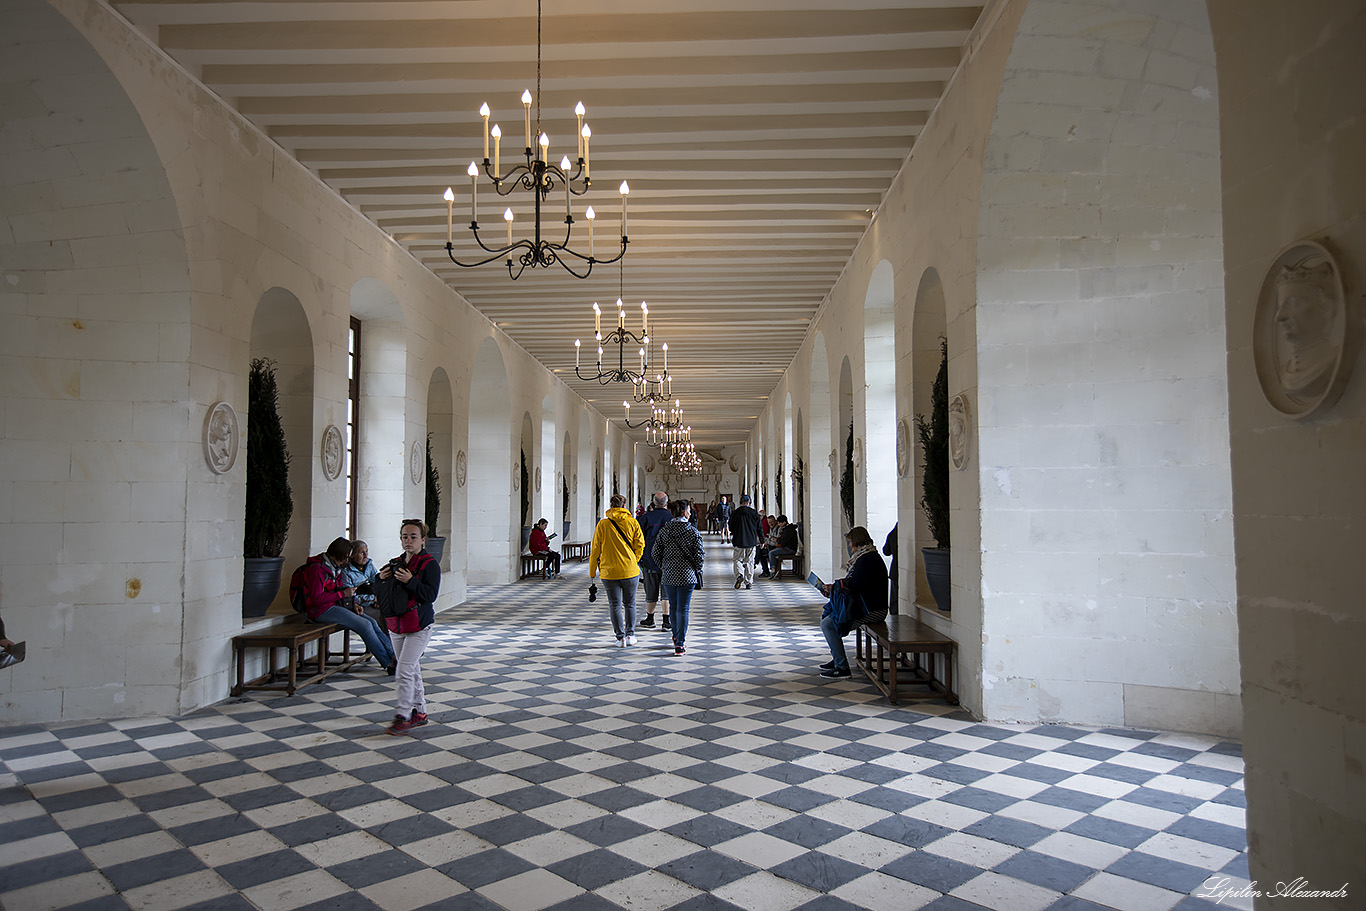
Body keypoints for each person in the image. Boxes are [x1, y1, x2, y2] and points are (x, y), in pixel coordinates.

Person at [301, 537, 397, 676]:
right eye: (346, 557)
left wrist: (354, 605)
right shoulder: (317, 569)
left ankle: (394, 655)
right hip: (320, 610)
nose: (347, 560)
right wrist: (342, 594)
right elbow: (316, 599)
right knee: (365, 626)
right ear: (337, 554)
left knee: (371, 622)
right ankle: (389, 663)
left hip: (336, 606)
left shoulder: (335, 567)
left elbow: (339, 591)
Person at [380, 519, 441, 734]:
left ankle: (402, 715)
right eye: (405, 536)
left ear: (423, 540)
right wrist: (381, 578)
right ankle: (420, 712)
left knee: (404, 669)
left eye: (413, 537)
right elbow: (381, 591)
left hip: (419, 625)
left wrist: (411, 581)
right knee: (411, 668)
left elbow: (430, 595)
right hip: (396, 624)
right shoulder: (395, 562)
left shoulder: (429, 564)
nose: (408, 541)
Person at [817, 526, 889, 678]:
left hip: (872, 610)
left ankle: (842, 667)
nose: (849, 546)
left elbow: (855, 585)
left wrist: (835, 588)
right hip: (866, 605)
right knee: (829, 617)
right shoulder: (866, 557)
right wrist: (834, 590)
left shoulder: (867, 559)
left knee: (828, 624)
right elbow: (854, 584)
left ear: (857, 541)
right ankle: (837, 659)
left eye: (850, 542)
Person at [589, 494, 645, 646]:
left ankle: (620, 638)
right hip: (630, 570)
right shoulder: (632, 522)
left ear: (611, 506)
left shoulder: (603, 524)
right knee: (630, 604)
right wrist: (634, 560)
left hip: (609, 571)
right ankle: (630, 635)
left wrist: (592, 571)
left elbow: (595, 549)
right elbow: (640, 545)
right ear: (624, 506)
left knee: (614, 604)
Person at [652, 499, 704, 656]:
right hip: (687, 575)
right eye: (688, 510)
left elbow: (655, 553)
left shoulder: (664, 531)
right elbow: (700, 555)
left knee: (673, 608)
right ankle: (680, 644)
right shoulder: (692, 531)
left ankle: (675, 637)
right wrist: (696, 568)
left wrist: (665, 566)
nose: (689, 513)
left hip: (669, 575)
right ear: (683, 512)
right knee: (683, 609)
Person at [636, 491, 671, 630]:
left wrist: (639, 558)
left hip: (649, 559)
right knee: (666, 591)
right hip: (668, 560)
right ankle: (666, 621)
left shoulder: (645, 518)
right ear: (666, 503)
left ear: (653, 502)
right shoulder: (671, 517)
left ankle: (650, 618)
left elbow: (639, 539)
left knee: (650, 590)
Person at [728, 494, 763, 589]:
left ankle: (740, 574)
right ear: (749, 503)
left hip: (739, 540)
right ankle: (748, 582)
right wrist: (762, 540)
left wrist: (735, 531)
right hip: (751, 541)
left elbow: (730, 527)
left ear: (740, 502)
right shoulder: (754, 513)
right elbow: (759, 528)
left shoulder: (735, 513)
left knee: (737, 560)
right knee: (750, 561)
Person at [341, 540, 380, 618]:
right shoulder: (346, 571)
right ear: (352, 555)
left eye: (366, 552)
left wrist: (378, 598)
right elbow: (351, 597)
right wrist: (373, 599)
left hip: (372, 599)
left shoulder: (369, 564)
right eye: (362, 553)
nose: (366, 556)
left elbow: (378, 582)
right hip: (359, 604)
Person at [883, 524, 899, 615]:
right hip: (901, 566)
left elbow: (886, 551)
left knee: (894, 596)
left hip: (894, 568)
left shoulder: (892, 534)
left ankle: (894, 614)